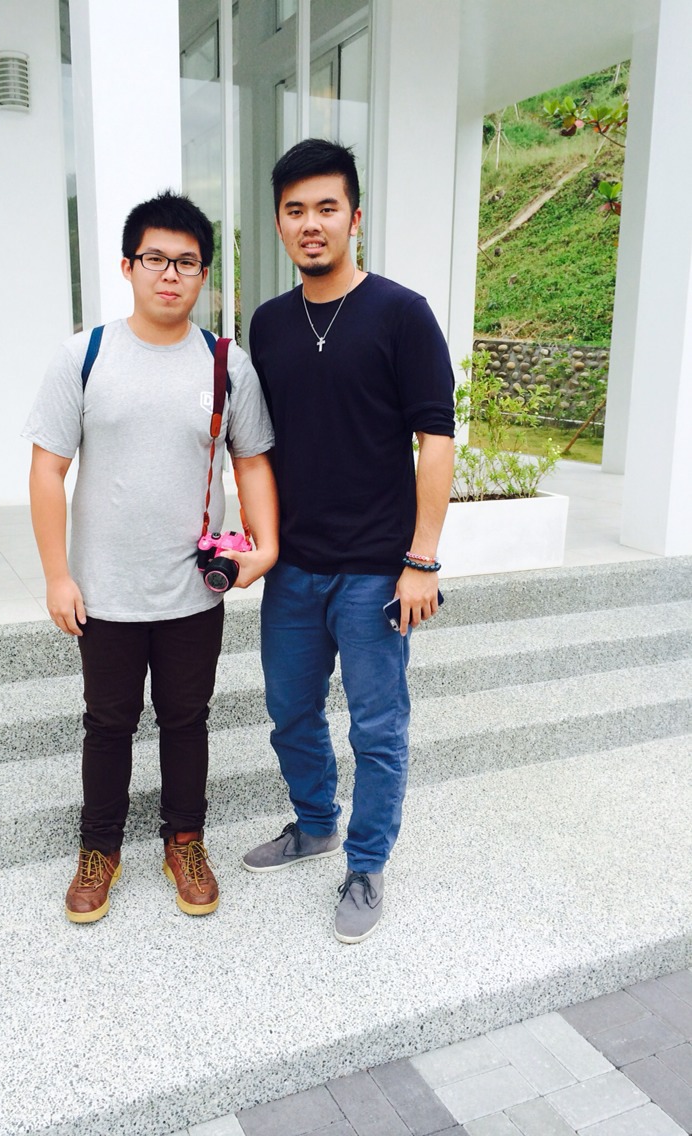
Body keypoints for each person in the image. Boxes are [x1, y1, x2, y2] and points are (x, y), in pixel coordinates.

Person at [23, 190, 278, 925]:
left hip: (193, 589)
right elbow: (47, 470)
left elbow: (251, 462)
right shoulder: (85, 355)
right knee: (107, 723)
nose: (170, 274)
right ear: (128, 266)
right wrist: (57, 575)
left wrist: (264, 546)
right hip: (103, 591)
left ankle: (184, 842)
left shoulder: (226, 364)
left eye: (186, 262)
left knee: (186, 718)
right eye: (155, 259)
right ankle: (98, 849)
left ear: (204, 274)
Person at [242, 139, 455, 944]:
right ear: (279, 223)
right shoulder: (269, 324)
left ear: (354, 217)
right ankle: (315, 823)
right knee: (289, 710)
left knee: (377, 728)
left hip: (377, 571)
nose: (311, 223)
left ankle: (365, 865)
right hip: (295, 567)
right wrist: (259, 543)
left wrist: (421, 560)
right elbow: (258, 448)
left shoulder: (401, 313)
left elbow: (437, 438)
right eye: (295, 210)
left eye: (326, 207)